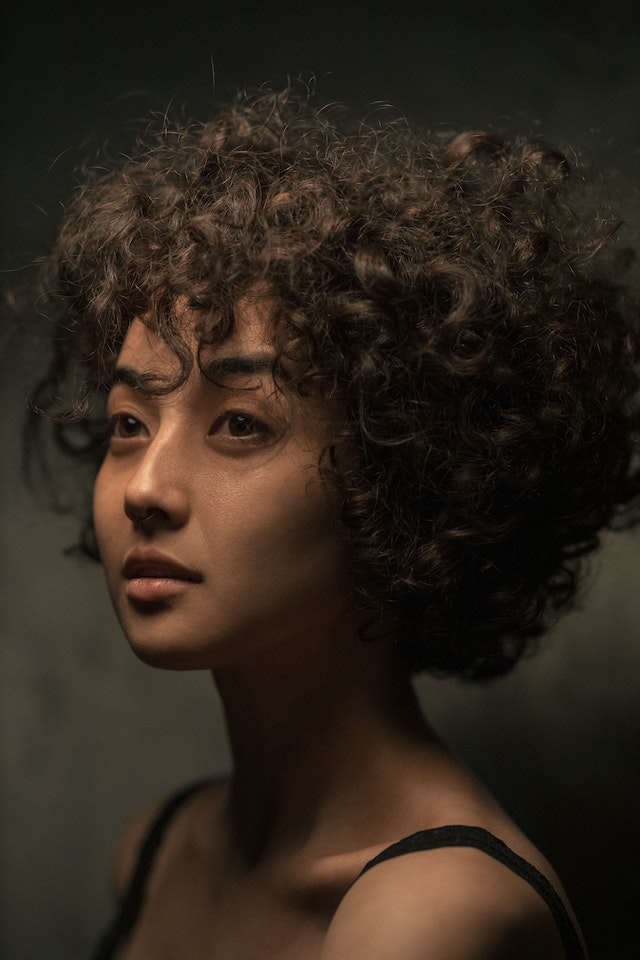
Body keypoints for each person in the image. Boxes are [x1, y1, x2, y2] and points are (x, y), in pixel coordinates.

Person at [29, 88, 639, 959]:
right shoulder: (159, 851)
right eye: (130, 422)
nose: (145, 486)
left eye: (241, 423)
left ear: (404, 478)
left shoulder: (430, 916)